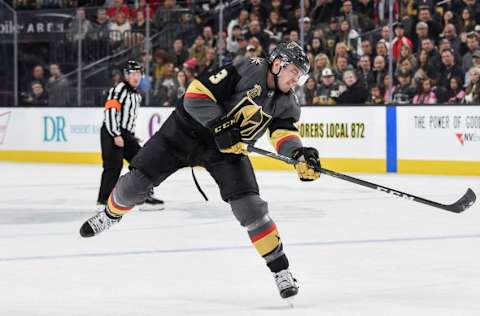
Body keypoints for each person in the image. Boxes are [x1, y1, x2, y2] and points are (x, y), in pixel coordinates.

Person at [79, 42, 321, 301]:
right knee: (132, 187)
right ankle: (110, 214)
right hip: (183, 133)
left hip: (225, 150)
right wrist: (220, 124)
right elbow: (195, 94)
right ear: (277, 64)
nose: (297, 79)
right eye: (294, 71)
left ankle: (281, 271)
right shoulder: (247, 69)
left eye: (301, 74)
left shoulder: (287, 102)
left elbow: (284, 134)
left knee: (251, 208)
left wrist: (298, 154)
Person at [97, 60, 164, 210]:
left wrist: (130, 136)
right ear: (126, 75)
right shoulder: (119, 89)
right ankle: (103, 201)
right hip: (111, 132)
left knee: (143, 162)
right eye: (132, 73)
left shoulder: (136, 95)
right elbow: (110, 112)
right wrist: (116, 134)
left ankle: (144, 196)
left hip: (125, 135)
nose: (136, 76)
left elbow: (129, 118)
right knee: (113, 166)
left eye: (138, 73)